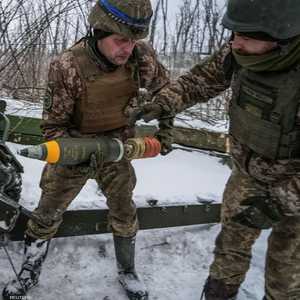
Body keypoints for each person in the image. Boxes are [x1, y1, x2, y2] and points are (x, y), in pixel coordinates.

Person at [2, 1, 171, 299]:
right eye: (120, 40)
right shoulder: (68, 66)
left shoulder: (141, 56)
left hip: (117, 147)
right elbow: (53, 126)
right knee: (46, 213)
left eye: (132, 41)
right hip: (74, 147)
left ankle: (127, 269)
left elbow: (167, 92)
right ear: (99, 33)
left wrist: (166, 127)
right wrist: (77, 152)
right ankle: (30, 269)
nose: (127, 49)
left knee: (124, 208)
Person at [134, 0, 300, 299]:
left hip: (294, 189)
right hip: (247, 174)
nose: (235, 42)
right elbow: (198, 81)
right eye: (234, 34)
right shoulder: (239, 51)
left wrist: (279, 202)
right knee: (229, 249)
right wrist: (163, 102)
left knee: (286, 274)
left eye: (246, 37)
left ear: (279, 36)